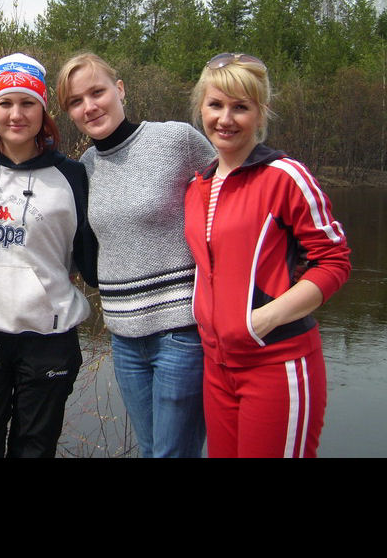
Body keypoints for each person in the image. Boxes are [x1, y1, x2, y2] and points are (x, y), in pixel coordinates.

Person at [184, 52, 351, 458]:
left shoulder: (286, 177)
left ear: (261, 113)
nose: (225, 119)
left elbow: (334, 261)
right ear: (201, 108)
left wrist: (263, 319)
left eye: (240, 107)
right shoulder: (197, 184)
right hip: (217, 367)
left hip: (277, 364)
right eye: (215, 105)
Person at [56, 53, 215, 458]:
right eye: (76, 101)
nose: (89, 107)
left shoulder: (175, 140)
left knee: (171, 454)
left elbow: (236, 187)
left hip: (181, 332)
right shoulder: (86, 167)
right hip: (124, 338)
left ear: (120, 89)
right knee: (150, 450)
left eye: (97, 92)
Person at [0, 53, 97, 458]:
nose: (16, 114)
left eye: (28, 103)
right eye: (5, 103)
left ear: (43, 111)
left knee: (34, 450)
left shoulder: (72, 176)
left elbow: (90, 256)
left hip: (47, 337)